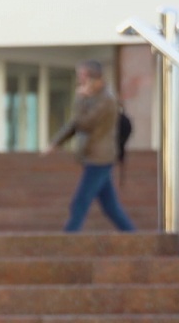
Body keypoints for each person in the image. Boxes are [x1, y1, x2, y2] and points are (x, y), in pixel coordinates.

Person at [42, 59, 136, 233]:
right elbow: (74, 125)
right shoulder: (92, 98)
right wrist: (56, 143)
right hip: (93, 156)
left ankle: (69, 238)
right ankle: (133, 235)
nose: (80, 80)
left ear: (94, 77)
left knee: (80, 202)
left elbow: (84, 123)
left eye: (82, 75)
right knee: (110, 207)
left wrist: (79, 99)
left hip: (100, 158)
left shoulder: (107, 99)